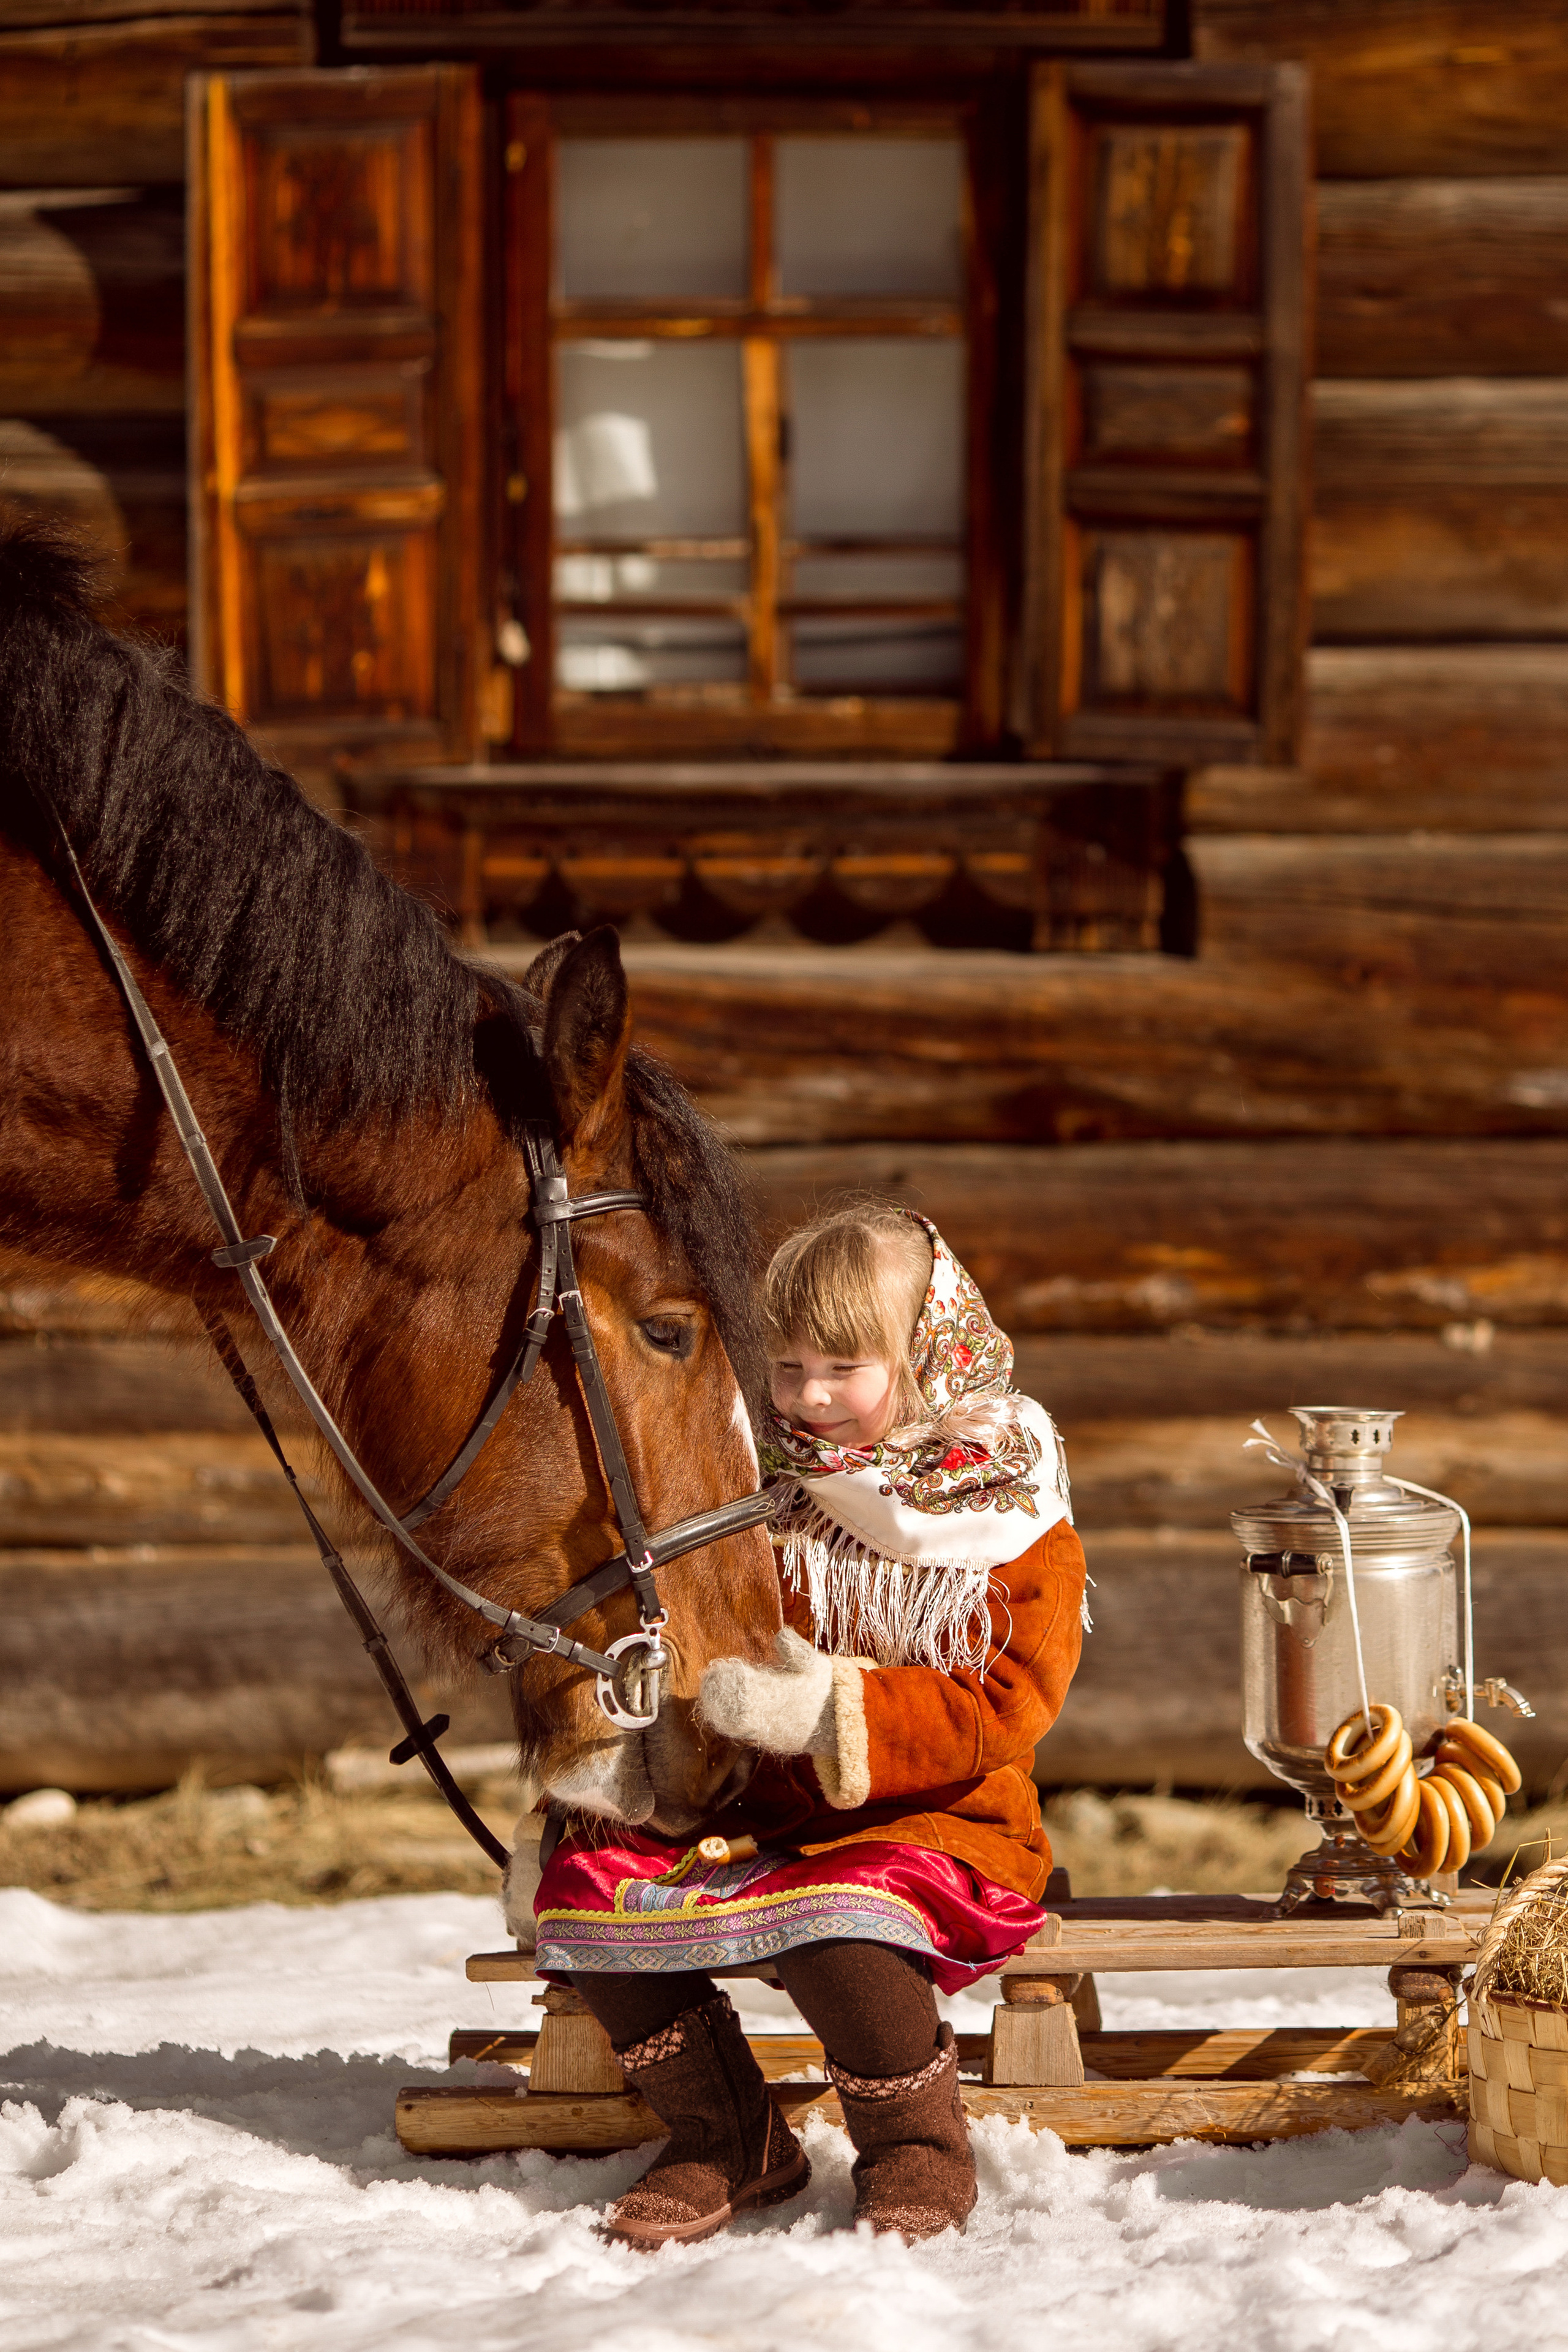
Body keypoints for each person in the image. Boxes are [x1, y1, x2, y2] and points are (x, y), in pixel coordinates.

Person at [521, 1204, 1088, 2248]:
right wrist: (647, 1745)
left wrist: (831, 1711)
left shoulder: (1006, 1512)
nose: (808, 1397)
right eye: (785, 1368)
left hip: (936, 1822)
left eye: (843, 1367)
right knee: (590, 1877)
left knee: (840, 1929)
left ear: (926, 1354)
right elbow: (692, 1639)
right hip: (758, 1811)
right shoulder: (756, 1490)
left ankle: (916, 2145)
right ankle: (725, 2134)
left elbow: (1006, 1702)